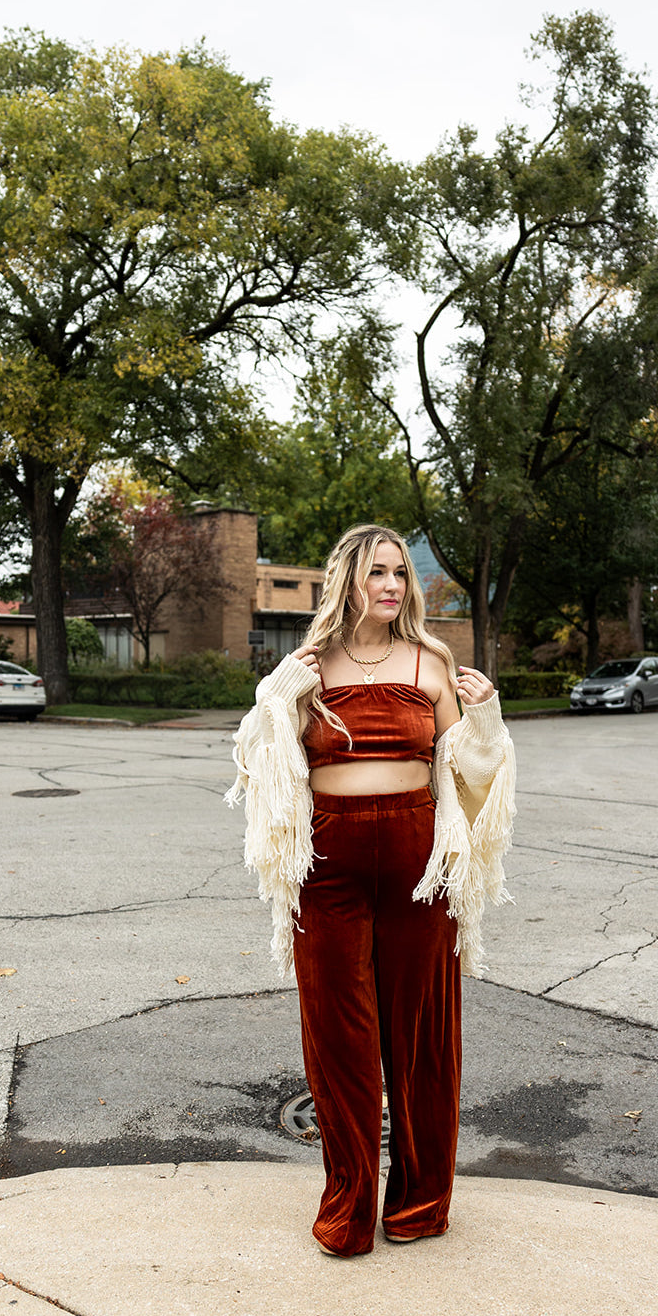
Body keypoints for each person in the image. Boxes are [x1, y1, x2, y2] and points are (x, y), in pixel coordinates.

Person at [226, 524, 515, 1256]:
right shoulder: (309, 665)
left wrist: (485, 715)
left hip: (421, 871)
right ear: (347, 582)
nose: (391, 585)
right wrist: (274, 697)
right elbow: (261, 765)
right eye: (376, 572)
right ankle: (348, 1207)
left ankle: (420, 1204)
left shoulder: (430, 660)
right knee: (339, 1041)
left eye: (399, 573)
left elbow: (468, 770)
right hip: (327, 869)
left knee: (421, 1041)